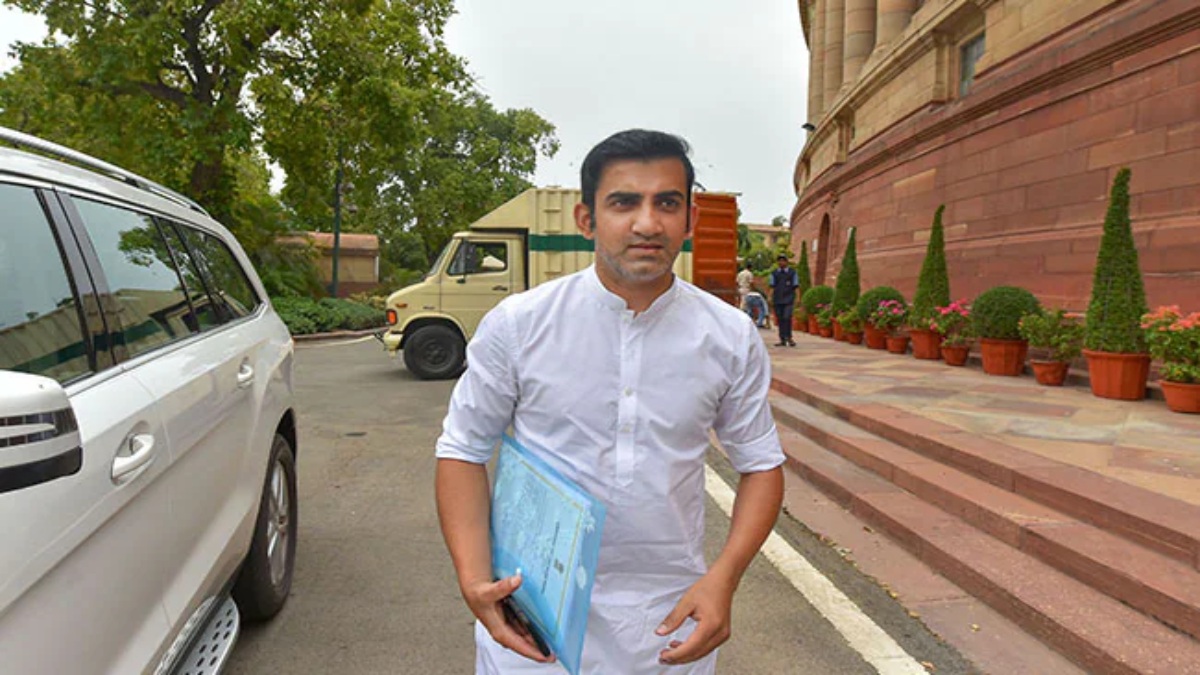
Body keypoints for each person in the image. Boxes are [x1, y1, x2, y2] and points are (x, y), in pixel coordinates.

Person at [435, 129, 785, 674]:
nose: (647, 223)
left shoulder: (729, 336)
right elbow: (463, 448)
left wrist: (724, 578)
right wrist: (474, 578)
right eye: (623, 203)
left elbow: (761, 463)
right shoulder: (521, 325)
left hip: (670, 622)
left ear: (689, 220)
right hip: (530, 620)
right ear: (587, 219)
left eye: (666, 203)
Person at [769, 254, 800, 347]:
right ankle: (782, 339)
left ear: (787, 262)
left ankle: (789, 338)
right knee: (780, 319)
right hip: (778, 299)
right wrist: (769, 297)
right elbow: (772, 286)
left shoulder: (792, 273)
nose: (781, 262)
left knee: (787, 317)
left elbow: (796, 286)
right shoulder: (774, 273)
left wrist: (798, 298)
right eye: (779, 260)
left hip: (789, 299)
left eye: (783, 260)